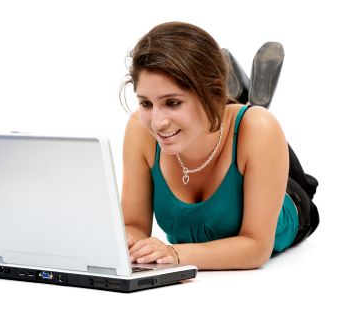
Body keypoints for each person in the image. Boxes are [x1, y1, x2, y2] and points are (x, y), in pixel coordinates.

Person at [119, 21, 316, 270]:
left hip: (291, 201)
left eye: (172, 102)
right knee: (246, 125)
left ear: (212, 94)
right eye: (146, 103)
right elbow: (133, 225)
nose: (157, 122)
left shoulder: (260, 130)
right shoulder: (140, 128)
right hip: (223, 126)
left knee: (257, 124)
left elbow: (256, 247)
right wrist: (126, 243)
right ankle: (239, 98)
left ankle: (247, 106)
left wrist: (175, 254)